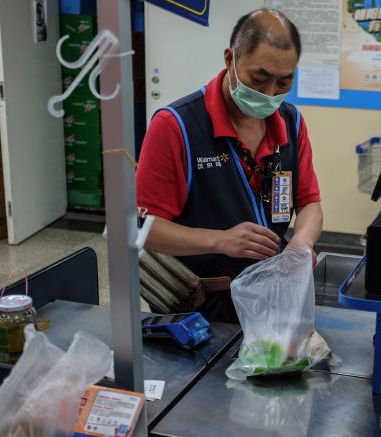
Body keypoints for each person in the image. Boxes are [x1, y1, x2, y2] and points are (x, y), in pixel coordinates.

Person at [136, 9, 322, 322]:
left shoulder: (291, 123)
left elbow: (309, 204)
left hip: (272, 298)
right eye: (259, 79)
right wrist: (220, 240)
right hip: (199, 306)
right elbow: (144, 229)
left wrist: (301, 245)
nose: (269, 94)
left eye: (284, 82)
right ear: (229, 59)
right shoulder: (176, 126)